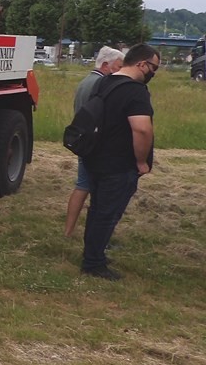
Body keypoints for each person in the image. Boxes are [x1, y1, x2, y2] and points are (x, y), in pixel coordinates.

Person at [80, 43, 159, 280]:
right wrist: (142, 161)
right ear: (141, 64)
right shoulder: (136, 91)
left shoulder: (105, 82)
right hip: (119, 163)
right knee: (108, 214)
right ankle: (93, 263)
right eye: (154, 68)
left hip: (96, 157)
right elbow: (142, 130)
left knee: (96, 211)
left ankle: (93, 254)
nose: (154, 73)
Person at [63, 47, 125, 238]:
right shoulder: (102, 84)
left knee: (82, 186)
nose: (121, 71)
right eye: (119, 67)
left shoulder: (85, 82)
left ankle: (68, 231)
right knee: (96, 191)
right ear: (106, 65)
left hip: (83, 141)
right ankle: (97, 237)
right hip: (96, 146)